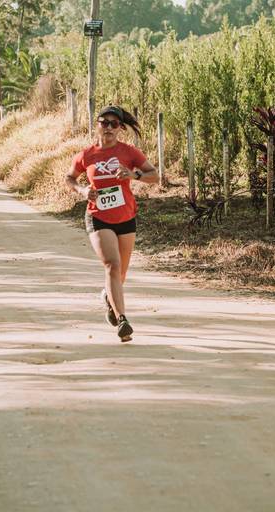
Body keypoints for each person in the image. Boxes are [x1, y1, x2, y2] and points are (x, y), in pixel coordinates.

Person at [65, 106, 159, 342]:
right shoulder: (87, 154)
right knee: (112, 265)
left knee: (121, 273)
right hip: (98, 216)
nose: (108, 127)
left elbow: (155, 176)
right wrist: (82, 190)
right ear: (97, 125)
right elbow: (69, 177)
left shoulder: (129, 152)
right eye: (104, 122)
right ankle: (122, 321)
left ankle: (109, 299)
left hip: (126, 217)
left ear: (120, 129)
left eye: (113, 124)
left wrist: (134, 175)